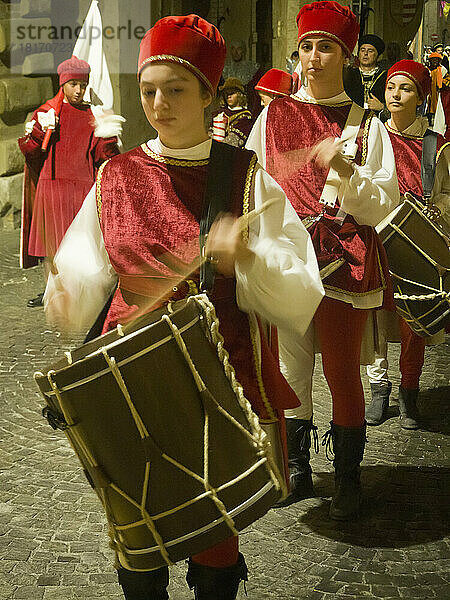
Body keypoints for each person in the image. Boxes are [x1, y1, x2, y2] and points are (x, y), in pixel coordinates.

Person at [44, 14, 324, 599]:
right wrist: (65, 296)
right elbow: (83, 279)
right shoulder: (116, 174)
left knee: (214, 534)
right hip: (131, 373)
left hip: (214, 376)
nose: (159, 104)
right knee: (138, 532)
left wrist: (243, 259)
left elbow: (300, 289)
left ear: (208, 93)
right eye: (149, 90)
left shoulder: (245, 176)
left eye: (175, 90)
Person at [247, 0, 400, 520]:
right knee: (290, 369)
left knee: (340, 370)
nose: (313, 58)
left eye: (326, 47)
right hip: (288, 261)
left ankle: (349, 479)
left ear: (347, 56)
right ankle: (295, 468)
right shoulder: (272, 115)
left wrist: (348, 173)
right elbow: (252, 184)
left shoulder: (366, 125)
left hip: (343, 263)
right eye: (307, 47)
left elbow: (386, 202)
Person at [365, 60, 450, 429]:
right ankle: (378, 388)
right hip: (373, 239)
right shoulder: (367, 135)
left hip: (415, 241)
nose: (395, 94)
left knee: (413, 323)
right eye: (390, 87)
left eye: (406, 88)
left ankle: (408, 391)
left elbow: (445, 192)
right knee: (374, 319)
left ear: (421, 97)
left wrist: (433, 212)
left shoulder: (435, 145)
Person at [18, 57, 121, 307]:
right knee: (51, 246)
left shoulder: (92, 115)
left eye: (82, 85)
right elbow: (31, 152)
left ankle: (79, 292)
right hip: (51, 185)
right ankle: (50, 292)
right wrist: (41, 131)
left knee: (80, 244)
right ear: (63, 84)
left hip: (82, 187)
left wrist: (108, 136)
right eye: (73, 84)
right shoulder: (46, 113)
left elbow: (103, 158)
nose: (78, 90)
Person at [344, 33, 387, 115]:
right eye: (362, 50)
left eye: (370, 51)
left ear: (378, 55)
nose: (365, 54)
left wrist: (382, 107)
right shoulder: (348, 75)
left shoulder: (385, 76)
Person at [222, 39, 263, 117]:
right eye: (233, 49)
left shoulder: (253, 68)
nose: (236, 52)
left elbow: (257, 94)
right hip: (229, 110)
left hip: (248, 110)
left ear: (243, 51)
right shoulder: (225, 70)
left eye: (239, 49)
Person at [211, 77, 254, 147]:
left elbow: (234, 140)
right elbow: (209, 134)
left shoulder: (246, 117)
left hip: (231, 153)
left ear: (239, 95)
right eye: (226, 93)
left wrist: (217, 148)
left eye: (232, 93)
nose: (229, 96)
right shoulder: (218, 113)